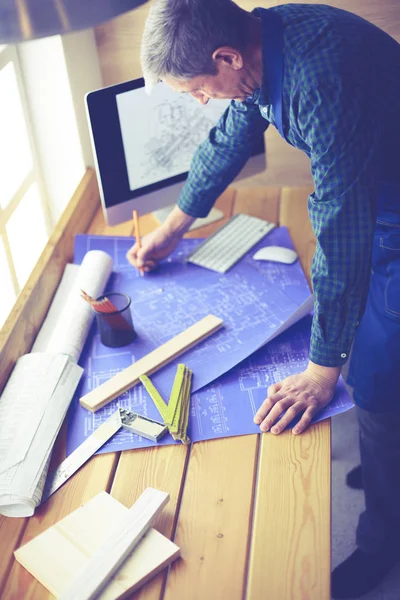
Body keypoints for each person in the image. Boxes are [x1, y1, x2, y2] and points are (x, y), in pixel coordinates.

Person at [126, 1, 400, 596]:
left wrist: (321, 372)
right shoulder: (260, 45)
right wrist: (173, 227)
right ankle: (387, 469)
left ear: (225, 57)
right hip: (375, 206)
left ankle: (383, 540)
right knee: (370, 367)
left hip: (391, 219)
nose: (202, 101)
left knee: (374, 376)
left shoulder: (321, 79)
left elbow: (340, 227)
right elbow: (229, 140)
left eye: (199, 89)